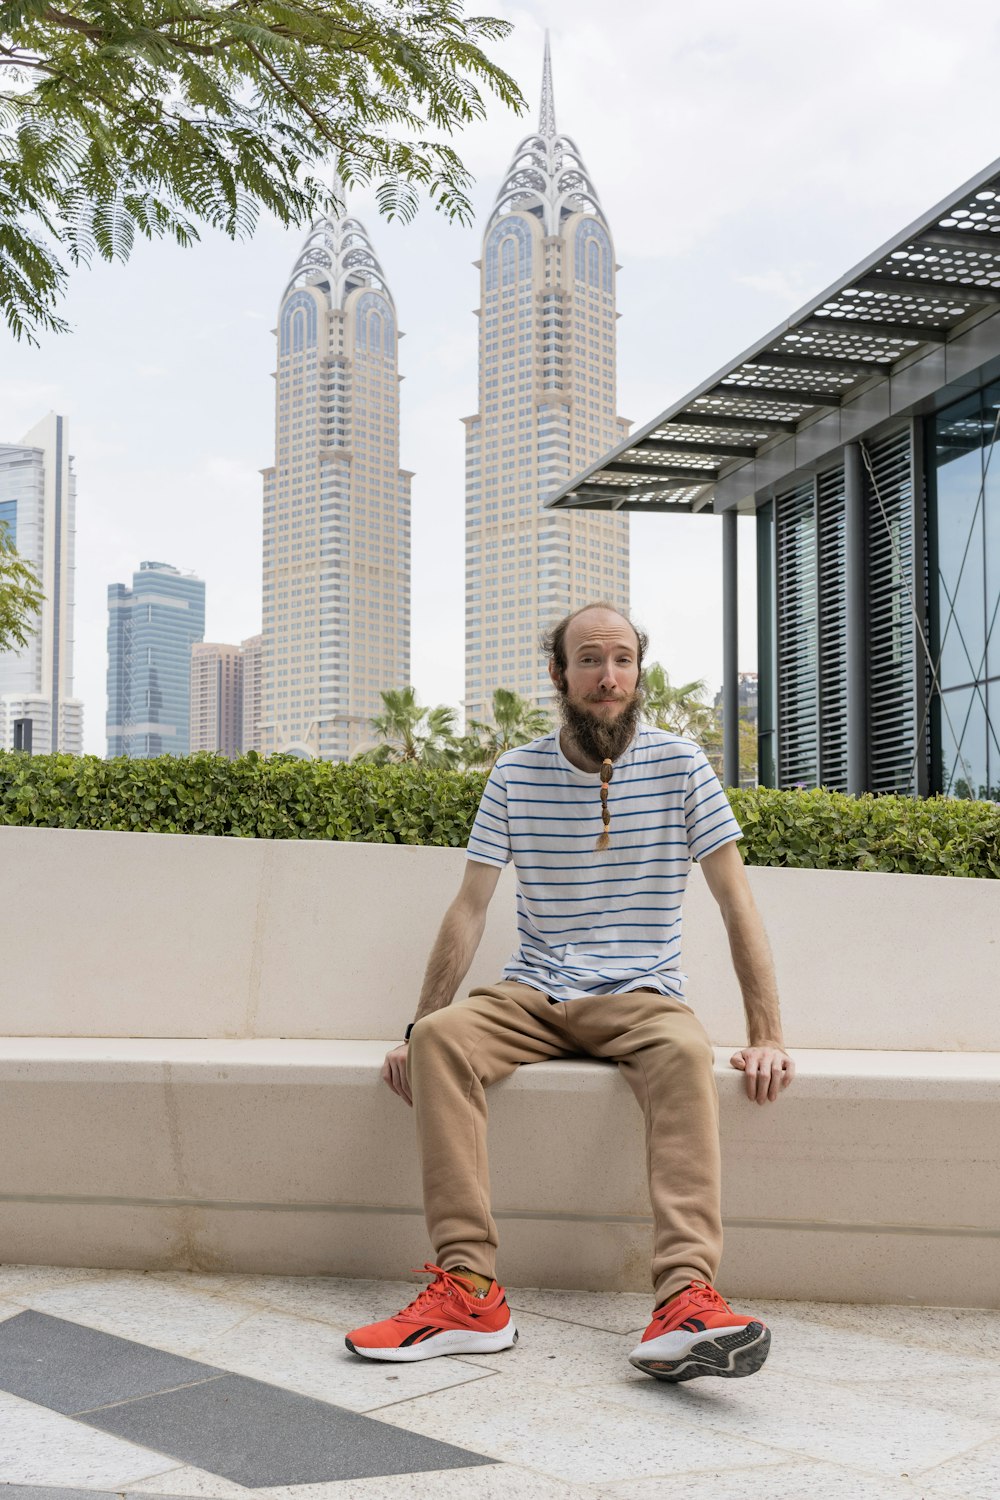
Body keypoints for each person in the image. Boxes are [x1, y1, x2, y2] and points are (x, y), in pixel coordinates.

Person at [345, 603, 794, 1381]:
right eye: (590, 660)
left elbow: (736, 902)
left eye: (622, 660)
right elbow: (470, 906)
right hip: (535, 994)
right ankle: (471, 1294)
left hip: (643, 996)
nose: (608, 677)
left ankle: (687, 1300)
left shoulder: (683, 765)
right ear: (559, 675)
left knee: (688, 1053)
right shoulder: (517, 773)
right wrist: (416, 1025)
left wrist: (769, 1033)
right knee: (443, 1040)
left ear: (637, 674)